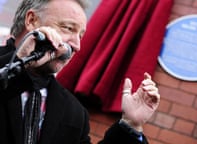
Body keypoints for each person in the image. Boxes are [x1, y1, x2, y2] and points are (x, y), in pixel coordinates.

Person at [0, 0, 160, 144]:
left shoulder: (73, 112)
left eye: (81, 36)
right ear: (32, 21)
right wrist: (20, 62)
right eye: (68, 28)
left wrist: (130, 125)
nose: (77, 46)